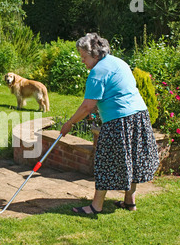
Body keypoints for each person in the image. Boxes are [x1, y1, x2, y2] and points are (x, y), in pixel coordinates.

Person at [60, 32, 160, 214]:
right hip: (139, 116)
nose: (82, 61)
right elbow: (116, 91)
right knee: (133, 159)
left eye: (84, 57)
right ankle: (130, 201)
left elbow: (87, 106)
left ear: (95, 54)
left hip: (119, 121)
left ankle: (95, 206)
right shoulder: (118, 62)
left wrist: (69, 124)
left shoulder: (97, 72)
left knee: (105, 161)